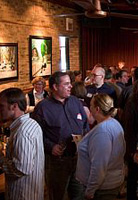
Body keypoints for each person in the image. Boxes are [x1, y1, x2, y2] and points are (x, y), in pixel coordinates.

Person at [32, 71, 89, 200]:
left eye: (71, 83)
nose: (71, 87)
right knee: (57, 196)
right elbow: (35, 135)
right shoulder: (42, 108)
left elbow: (85, 124)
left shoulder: (75, 101)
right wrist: (50, 146)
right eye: (67, 84)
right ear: (55, 87)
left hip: (79, 159)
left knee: (79, 195)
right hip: (57, 162)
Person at [0, 88, 44, 200]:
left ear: (14, 106)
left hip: (23, 194)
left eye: (2, 106)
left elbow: (22, 169)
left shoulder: (22, 132)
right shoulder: (32, 123)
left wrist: (0, 159)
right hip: (33, 191)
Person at [76, 94, 125, 200]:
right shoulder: (113, 122)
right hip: (109, 183)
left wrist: (90, 191)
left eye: (91, 106)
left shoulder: (102, 131)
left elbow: (99, 166)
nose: (90, 109)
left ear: (97, 109)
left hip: (102, 189)